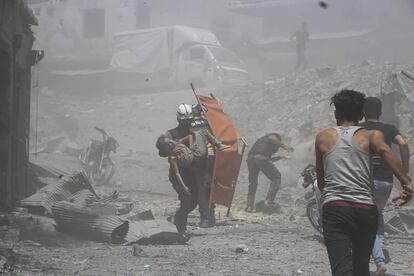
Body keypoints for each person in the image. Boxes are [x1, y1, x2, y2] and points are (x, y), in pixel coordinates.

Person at [315, 90, 412, 276]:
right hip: (365, 209)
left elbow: (321, 181)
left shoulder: (323, 137)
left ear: (336, 113)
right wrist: (406, 182)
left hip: (336, 208)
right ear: (361, 115)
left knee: (341, 268)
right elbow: (385, 151)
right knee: (361, 268)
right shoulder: (371, 136)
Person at [360, 97, 410, 275]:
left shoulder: (358, 129)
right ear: (380, 112)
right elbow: (403, 143)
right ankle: (377, 249)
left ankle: (378, 259)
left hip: (363, 180)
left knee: (364, 219)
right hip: (385, 181)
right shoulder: (389, 129)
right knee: (377, 214)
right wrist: (405, 169)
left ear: (363, 112)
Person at [245, 133, 294, 212]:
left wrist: (282, 157)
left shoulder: (263, 144)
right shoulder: (273, 136)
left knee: (253, 183)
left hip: (251, 159)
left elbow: (268, 160)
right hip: (260, 159)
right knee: (277, 176)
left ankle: (249, 206)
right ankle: (269, 201)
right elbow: (272, 139)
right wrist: (286, 147)